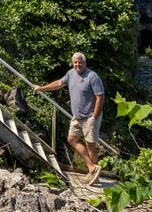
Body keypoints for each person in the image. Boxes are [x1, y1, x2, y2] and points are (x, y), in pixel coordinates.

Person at [33, 52, 105, 184]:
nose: (77, 64)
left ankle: (93, 175)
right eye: (75, 62)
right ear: (72, 63)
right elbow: (59, 83)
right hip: (77, 117)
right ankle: (92, 167)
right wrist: (42, 88)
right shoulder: (71, 73)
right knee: (72, 139)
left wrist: (95, 116)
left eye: (80, 62)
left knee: (90, 145)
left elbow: (100, 97)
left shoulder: (92, 77)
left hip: (90, 116)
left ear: (85, 63)